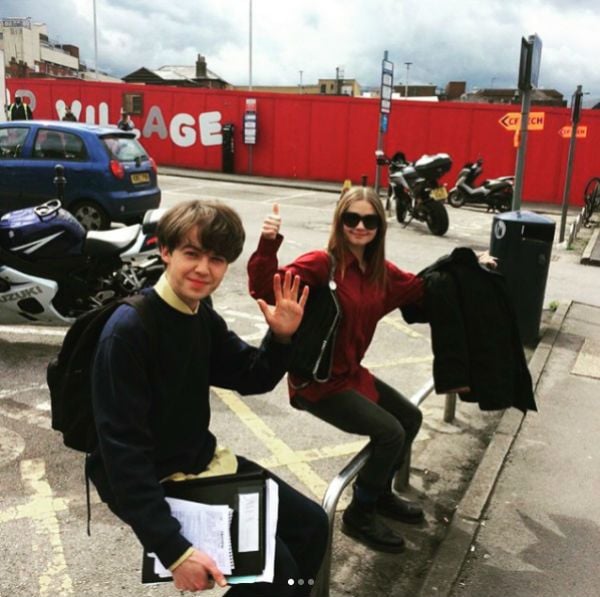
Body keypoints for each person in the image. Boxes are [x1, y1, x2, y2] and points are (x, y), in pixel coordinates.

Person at [88, 199, 328, 595]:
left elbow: (251, 375)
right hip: (155, 478)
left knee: (312, 526)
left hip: (199, 460)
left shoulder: (198, 313)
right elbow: (122, 453)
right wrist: (174, 551)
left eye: (216, 259)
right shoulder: (128, 331)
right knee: (276, 570)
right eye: (192, 253)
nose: (203, 269)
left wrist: (282, 336)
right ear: (165, 251)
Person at [248, 186, 466, 554]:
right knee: (391, 432)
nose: (360, 226)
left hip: (352, 376)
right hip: (317, 384)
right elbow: (266, 288)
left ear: (380, 226)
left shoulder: (381, 273)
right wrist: (268, 245)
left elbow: (423, 289)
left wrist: (467, 266)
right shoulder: (322, 264)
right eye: (352, 218)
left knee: (410, 418)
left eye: (369, 220)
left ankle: (379, 494)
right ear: (340, 221)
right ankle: (360, 513)